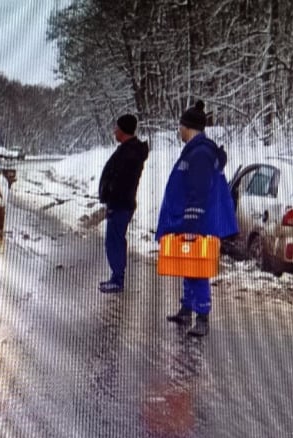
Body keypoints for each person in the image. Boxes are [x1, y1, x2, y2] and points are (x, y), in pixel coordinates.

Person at [156, 100, 238, 337]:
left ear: (188, 127)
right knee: (188, 264)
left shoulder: (200, 153)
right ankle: (186, 309)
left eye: (180, 126)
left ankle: (202, 316)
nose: (179, 130)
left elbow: (198, 191)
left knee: (196, 269)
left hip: (196, 221)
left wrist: (192, 222)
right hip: (192, 220)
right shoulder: (197, 150)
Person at [97, 114, 149, 293]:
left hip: (120, 204)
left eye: (117, 128)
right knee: (115, 240)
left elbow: (121, 180)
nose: (114, 131)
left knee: (115, 241)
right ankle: (116, 277)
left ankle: (117, 279)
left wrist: (111, 193)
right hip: (120, 203)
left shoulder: (130, 153)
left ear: (124, 130)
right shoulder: (128, 149)